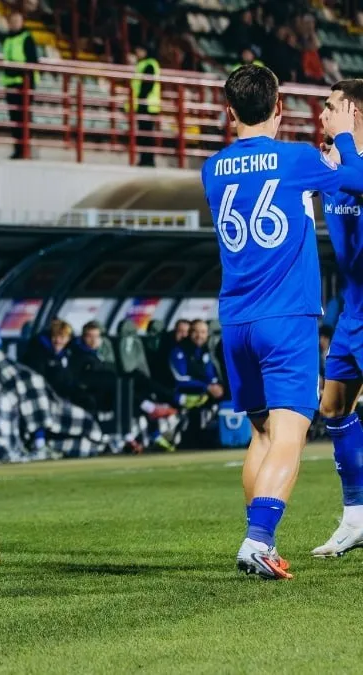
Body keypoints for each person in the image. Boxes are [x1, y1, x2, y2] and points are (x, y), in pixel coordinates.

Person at [200, 64, 363, 580]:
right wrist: (344, 135)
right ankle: (258, 541)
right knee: (292, 433)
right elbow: (356, 178)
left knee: (263, 435)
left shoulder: (212, 168)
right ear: (278, 108)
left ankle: (257, 538)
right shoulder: (297, 159)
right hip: (286, 318)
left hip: (236, 321)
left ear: (229, 111)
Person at [314, 79, 363, 558]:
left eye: (331, 107)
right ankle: (355, 518)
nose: (322, 115)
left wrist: (344, 141)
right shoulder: (333, 161)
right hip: (353, 310)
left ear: (353, 112)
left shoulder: (353, 161)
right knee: (333, 409)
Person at [0, 11, 37, 159]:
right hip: (10, 84)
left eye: (17, 21)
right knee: (14, 119)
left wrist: (17, 71)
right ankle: (17, 149)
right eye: (12, 21)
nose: (15, 24)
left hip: (23, 85)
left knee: (23, 119)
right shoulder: (7, 38)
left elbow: (32, 61)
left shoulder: (26, 38)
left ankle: (25, 150)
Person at [169, 319, 224, 408]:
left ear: (207, 334)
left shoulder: (205, 352)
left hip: (205, 394)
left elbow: (211, 376)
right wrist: (207, 387)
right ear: (190, 333)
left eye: (203, 332)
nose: (199, 336)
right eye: (195, 331)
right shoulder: (178, 351)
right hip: (183, 396)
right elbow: (180, 379)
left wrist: (216, 386)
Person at [129, 43, 161, 167]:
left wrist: (141, 99)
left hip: (147, 104)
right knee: (144, 134)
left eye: (139, 50)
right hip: (144, 104)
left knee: (146, 134)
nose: (137, 53)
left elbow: (147, 85)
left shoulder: (149, 64)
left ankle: (148, 160)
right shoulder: (143, 64)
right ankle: (145, 160)